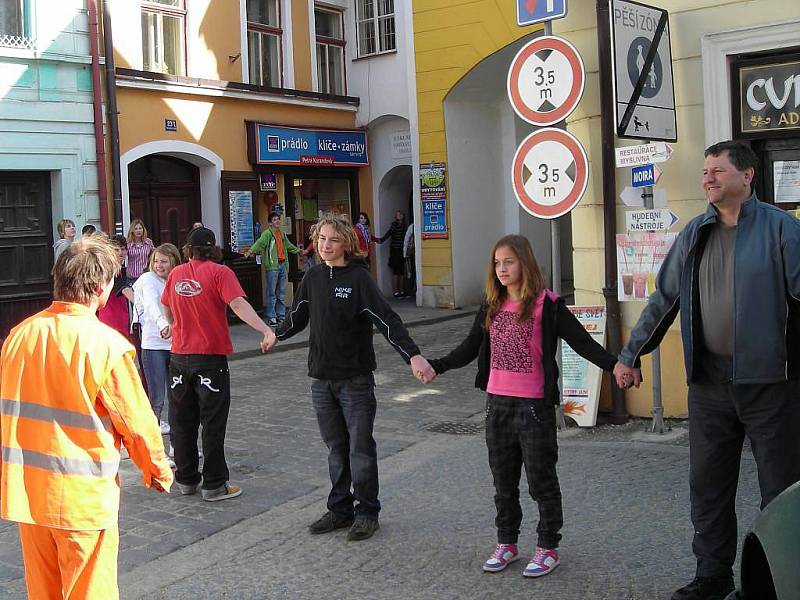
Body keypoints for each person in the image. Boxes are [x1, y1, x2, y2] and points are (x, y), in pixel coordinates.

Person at [613, 141, 800, 600]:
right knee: (709, 487)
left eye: (717, 170)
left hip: (771, 384)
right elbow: (664, 300)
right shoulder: (695, 234)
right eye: (704, 171)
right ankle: (712, 577)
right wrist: (630, 354)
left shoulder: (783, 231)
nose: (708, 178)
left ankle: (778, 580)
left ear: (747, 175)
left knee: (780, 490)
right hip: (710, 383)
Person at [421, 234, 619, 578]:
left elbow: (583, 343)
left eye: (508, 261)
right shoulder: (491, 304)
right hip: (496, 404)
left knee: (541, 481)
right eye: (497, 263)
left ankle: (547, 547)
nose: (501, 269)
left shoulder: (548, 305)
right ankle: (507, 542)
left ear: (524, 263)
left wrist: (616, 366)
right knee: (503, 482)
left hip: (533, 409)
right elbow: (470, 347)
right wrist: (437, 365)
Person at [0, 236, 173, 600]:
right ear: (100, 288)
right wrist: (157, 470)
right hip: (81, 500)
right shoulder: (105, 345)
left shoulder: (19, 336)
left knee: (43, 593)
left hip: (29, 495)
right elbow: (137, 421)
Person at [276, 213, 433, 541]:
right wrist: (274, 335)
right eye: (321, 239)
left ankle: (367, 512)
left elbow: (387, 319)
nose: (326, 245)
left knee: (360, 447)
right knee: (335, 447)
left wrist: (413, 355)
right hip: (321, 379)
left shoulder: (359, 280)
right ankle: (340, 509)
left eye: (333, 239)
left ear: (346, 242)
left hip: (355, 380)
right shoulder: (313, 277)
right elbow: (296, 317)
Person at [161, 227, 276, 502]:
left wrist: (174, 325)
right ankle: (214, 484)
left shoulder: (176, 274)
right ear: (213, 249)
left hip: (179, 357)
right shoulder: (220, 273)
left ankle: (186, 479)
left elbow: (165, 305)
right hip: (209, 359)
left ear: (187, 249)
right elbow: (238, 304)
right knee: (212, 423)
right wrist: (266, 330)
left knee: (182, 421)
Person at [133, 243, 182, 435]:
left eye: (164, 261)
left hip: (177, 344)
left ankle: (177, 447)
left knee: (178, 397)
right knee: (157, 399)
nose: (159, 265)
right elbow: (152, 305)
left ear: (173, 261)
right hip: (154, 344)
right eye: (155, 261)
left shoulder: (178, 278)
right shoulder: (147, 279)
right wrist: (162, 324)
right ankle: (152, 447)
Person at [242, 212, 300, 327]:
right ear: (270, 223)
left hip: (283, 264)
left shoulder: (282, 234)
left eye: (278, 219)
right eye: (274, 220)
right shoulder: (267, 234)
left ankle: (281, 316)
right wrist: (250, 252)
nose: (277, 221)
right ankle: (271, 317)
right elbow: (259, 243)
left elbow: (288, 246)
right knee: (272, 293)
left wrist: (299, 251)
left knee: (281, 293)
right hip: (273, 266)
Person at [98, 235, 135, 342]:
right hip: (111, 318)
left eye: (123, 249)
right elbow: (124, 290)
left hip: (121, 316)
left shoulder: (122, 270)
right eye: (116, 249)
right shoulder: (110, 270)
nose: (120, 252)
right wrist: (143, 303)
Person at [375, 210, 407, 298]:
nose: (399, 216)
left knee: (402, 271)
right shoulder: (394, 224)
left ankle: (402, 291)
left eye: (400, 214)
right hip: (395, 250)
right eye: (397, 215)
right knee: (396, 271)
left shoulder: (404, 225)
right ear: (395, 217)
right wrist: (381, 240)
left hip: (402, 249)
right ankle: (396, 292)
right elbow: (389, 233)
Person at [126, 218, 154, 285]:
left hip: (145, 276)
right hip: (132, 276)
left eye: (140, 228)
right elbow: (122, 255)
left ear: (143, 230)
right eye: (136, 229)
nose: (138, 231)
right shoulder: (128, 244)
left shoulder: (148, 242)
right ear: (132, 231)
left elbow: (154, 255)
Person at [402, 222, 415, 298]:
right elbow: (406, 240)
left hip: (414, 253)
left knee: (412, 272)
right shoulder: (411, 227)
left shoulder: (412, 227)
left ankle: (412, 290)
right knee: (410, 272)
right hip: (412, 254)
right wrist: (405, 253)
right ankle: (410, 291)